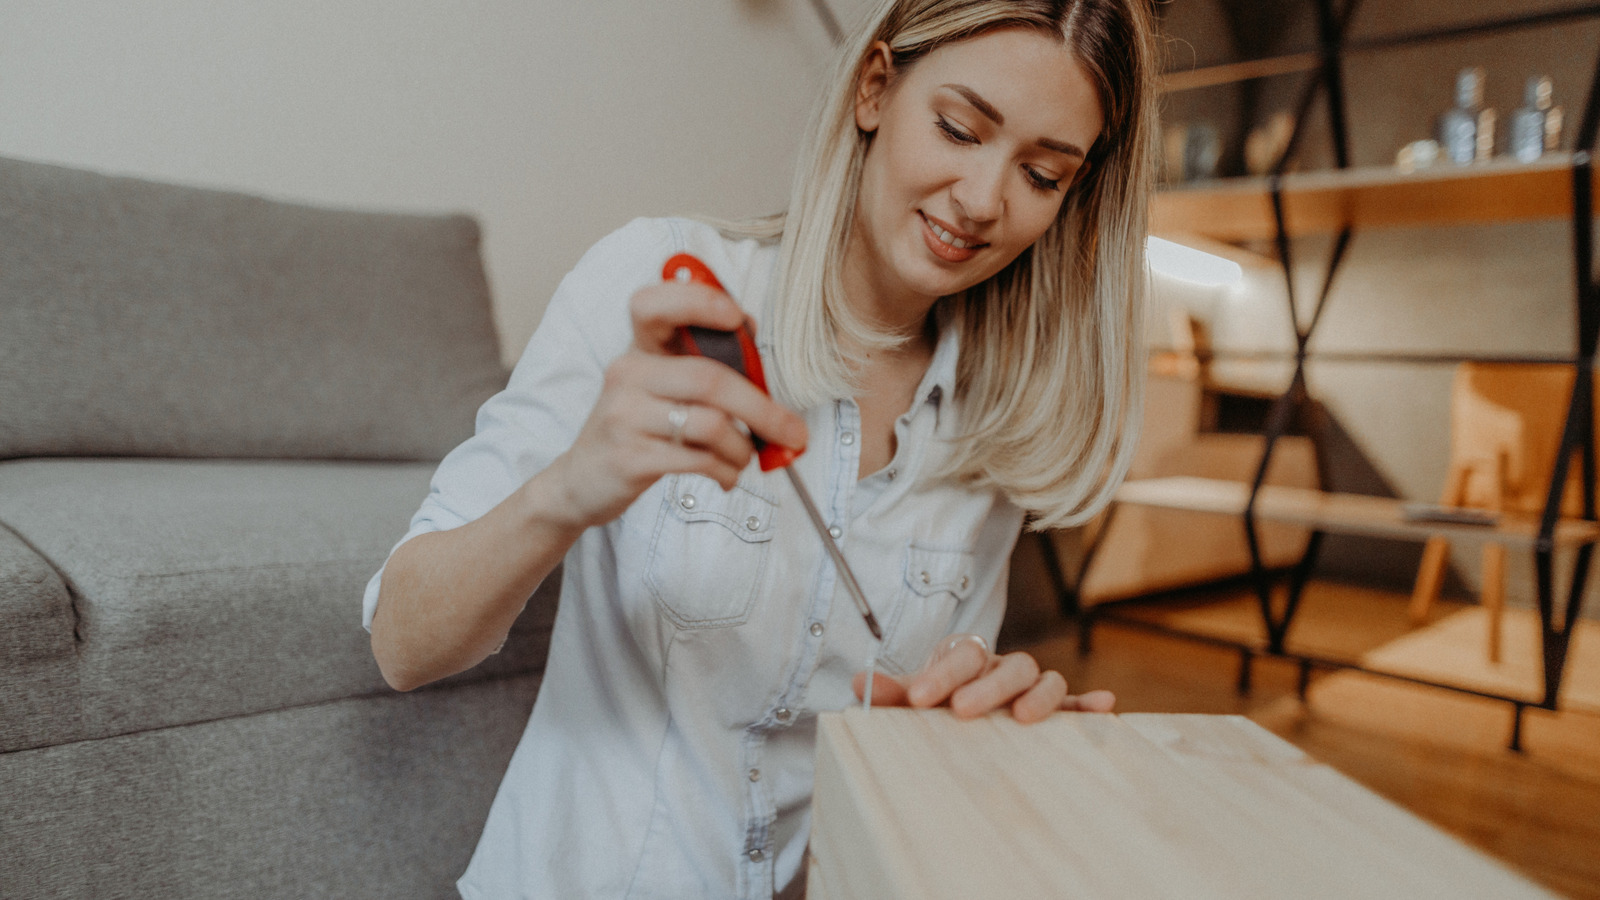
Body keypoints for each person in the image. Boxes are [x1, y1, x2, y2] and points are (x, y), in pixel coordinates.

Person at [364, 0, 1157, 896]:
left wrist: (993, 740)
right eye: (957, 128)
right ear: (874, 89)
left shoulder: (995, 424)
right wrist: (570, 488)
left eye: (1043, 176)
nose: (983, 201)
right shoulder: (656, 281)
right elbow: (403, 644)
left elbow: (902, 757)